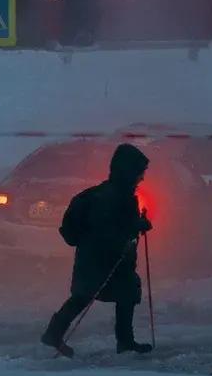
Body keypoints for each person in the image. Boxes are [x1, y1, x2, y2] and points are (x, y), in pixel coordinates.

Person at [41, 143, 155, 357]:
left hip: (94, 259)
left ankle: (54, 333)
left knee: (86, 296)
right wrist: (138, 225)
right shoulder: (117, 197)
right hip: (107, 259)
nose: (142, 178)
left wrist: (136, 224)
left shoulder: (102, 194)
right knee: (123, 292)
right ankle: (125, 342)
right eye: (140, 172)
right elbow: (111, 228)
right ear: (129, 171)